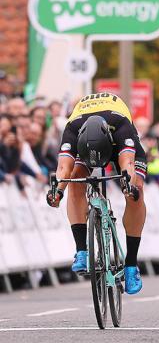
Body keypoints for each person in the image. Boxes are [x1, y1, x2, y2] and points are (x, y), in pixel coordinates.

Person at [46, 93, 147, 295]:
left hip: (118, 144)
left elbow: (127, 164)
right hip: (87, 145)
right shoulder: (72, 129)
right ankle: (81, 250)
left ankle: (131, 264)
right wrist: (57, 191)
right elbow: (63, 169)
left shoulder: (121, 125)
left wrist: (129, 186)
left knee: (135, 191)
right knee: (75, 180)